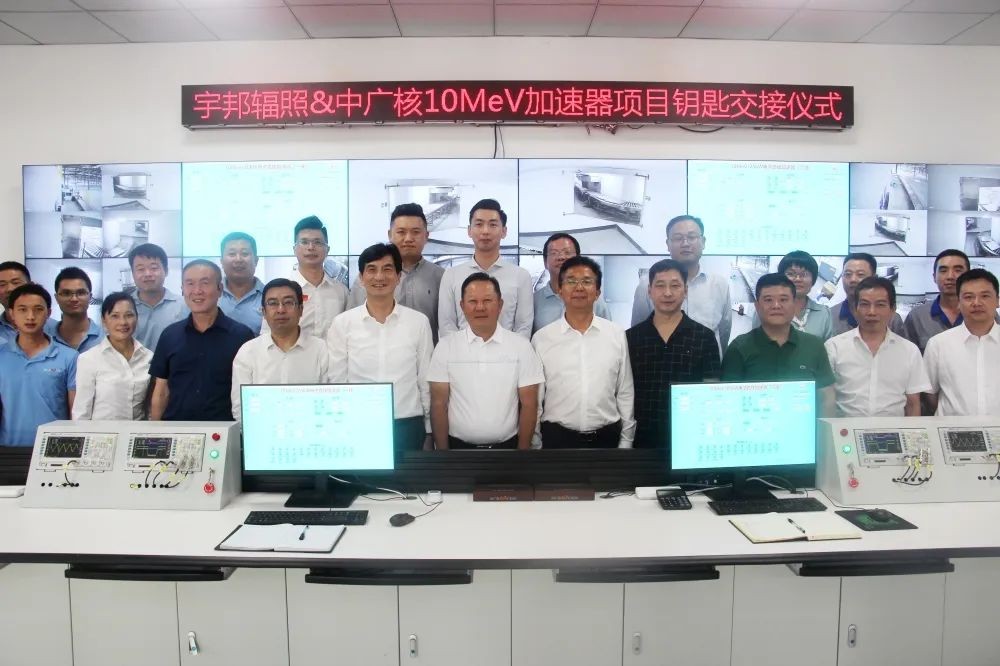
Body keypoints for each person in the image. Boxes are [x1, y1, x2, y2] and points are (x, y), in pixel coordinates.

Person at [329, 243, 433, 452]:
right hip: (359, 424)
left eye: (387, 269)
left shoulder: (418, 322)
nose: (379, 277)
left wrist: (429, 430)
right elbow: (337, 380)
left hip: (408, 424)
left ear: (398, 276)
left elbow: (425, 380)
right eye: (372, 269)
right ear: (361, 278)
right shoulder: (343, 323)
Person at [428, 273, 543, 449]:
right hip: (458, 449)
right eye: (473, 301)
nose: (480, 307)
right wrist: (444, 455)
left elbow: (529, 404)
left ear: (500, 305)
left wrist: (522, 454)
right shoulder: (446, 347)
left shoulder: (521, 346)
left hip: (507, 449)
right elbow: (438, 404)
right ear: (462, 306)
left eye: (487, 300)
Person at [532, 256, 634, 449]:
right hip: (557, 440)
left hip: (606, 438)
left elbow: (625, 391)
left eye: (587, 281)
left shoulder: (616, 334)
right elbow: (536, 400)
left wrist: (626, 441)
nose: (579, 287)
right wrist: (535, 442)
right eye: (571, 281)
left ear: (598, 292)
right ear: (560, 290)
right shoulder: (542, 339)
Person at [626, 258, 721, 450]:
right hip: (642, 438)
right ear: (649, 291)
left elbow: (711, 392)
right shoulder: (631, 338)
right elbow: (624, 392)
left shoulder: (704, 337)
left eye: (675, 286)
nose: (667, 293)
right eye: (660, 285)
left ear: (685, 290)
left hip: (689, 437)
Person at [149, 260, 254, 421]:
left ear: (220, 289)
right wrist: (155, 431)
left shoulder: (242, 336)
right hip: (176, 428)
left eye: (205, 283)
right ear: (182, 289)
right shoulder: (169, 335)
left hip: (224, 429)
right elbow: (161, 391)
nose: (197, 291)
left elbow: (249, 392)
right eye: (190, 284)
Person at [722, 273, 836, 417]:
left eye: (783, 299)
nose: (776, 305)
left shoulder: (814, 345)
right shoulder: (739, 347)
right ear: (757, 306)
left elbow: (826, 398)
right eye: (768, 300)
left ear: (794, 305)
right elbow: (729, 400)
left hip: (803, 427)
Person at [824, 277, 929, 417]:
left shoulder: (910, 351)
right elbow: (826, 401)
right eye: (865, 304)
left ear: (893, 309)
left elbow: (913, 404)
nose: (871, 312)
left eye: (880, 305)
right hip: (846, 429)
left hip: (893, 429)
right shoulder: (834, 347)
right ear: (855, 309)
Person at [231, 278, 332, 419]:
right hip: (262, 429)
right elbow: (240, 407)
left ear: (301, 310)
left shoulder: (321, 349)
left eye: (288, 302)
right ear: (263, 312)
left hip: (309, 428)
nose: (281, 310)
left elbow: (329, 401)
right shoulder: (248, 352)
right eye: (273, 303)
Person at [631, 214, 731, 353]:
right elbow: (638, 330)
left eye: (692, 237)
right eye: (678, 238)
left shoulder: (719, 284)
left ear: (703, 242)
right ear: (668, 244)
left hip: (707, 363)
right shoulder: (647, 284)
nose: (685, 243)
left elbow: (724, 331)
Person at [347, 203, 445, 341]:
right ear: (390, 235)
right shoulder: (369, 279)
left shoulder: (441, 277)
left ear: (426, 236)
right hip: (375, 350)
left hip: (426, 352)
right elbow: (351, 321)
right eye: (401, 232)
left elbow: (447, 324)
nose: (408, 238)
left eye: (415, 232)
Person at [438, 199, 533, 339]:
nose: (485, 231)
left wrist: (509, 350)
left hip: (507, 352)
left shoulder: (521, 276)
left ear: (504, 231)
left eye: (493, 225)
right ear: (469, 231)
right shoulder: (451, 275)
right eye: (479, 224)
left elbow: (523, 327)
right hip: (462, 352)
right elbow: (447, 326)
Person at [0, 284, 77, 446]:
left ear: (48, 313)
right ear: (11, 313)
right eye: (22, 309)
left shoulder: (69, 357)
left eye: (38, 309)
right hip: (7, 449)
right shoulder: (1, 355)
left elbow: (75, 413)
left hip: (53, 449)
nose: (30, 316)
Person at [924, 268, 1000, 416]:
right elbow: (930, 394)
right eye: (968, 297)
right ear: (958, 302)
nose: (977, 303)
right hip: (952, 429)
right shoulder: (938, 344)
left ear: (997, 300)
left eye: (985, 296)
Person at [262, 216, 348, 340]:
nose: (311, 247)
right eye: (304, 242)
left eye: (318, 242)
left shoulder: (341, 291)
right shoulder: (279, 291)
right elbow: (266, 336)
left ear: (327, 249)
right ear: (294, 249)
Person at [72, 292, 152, 420]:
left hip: (138, 431)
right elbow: (81, 412)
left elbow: (150, 408)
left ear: (137, 318)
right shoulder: (89, 359)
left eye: (129, 315)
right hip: (101, 432)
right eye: (115, 316)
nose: (123, 322)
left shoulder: (148, 357)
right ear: (104, 320)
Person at [532, 233, 611, 333]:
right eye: (554, 253)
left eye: (567, 252)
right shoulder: (533, 301)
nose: (561, 257)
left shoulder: (595, 301)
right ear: (545, 262)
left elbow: (608, 335)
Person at [751, 250, 833, 340]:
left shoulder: (824, 314)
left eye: (804, 274)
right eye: (791, 274)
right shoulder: (765, 309)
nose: (798, 279)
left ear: (813, 280)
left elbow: (829, 346)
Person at [904, 249, 973, 354]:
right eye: (943, 271)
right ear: (934, 277)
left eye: (958, 270)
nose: (950, 276)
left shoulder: (984, 313)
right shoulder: (917, 317)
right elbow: (907, 357)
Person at [129, 243, 188, 351]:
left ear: (166, 271)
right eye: (140, 269)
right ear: (132, 274)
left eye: (154, 268)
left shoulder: (184, 306)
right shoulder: (123, 307)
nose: (147, 274)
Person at [829, 253, 904, 337]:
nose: (853, 279)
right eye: (848, 274)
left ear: (874, 277)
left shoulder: (892, 319)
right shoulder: (829, 316)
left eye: (860, 274)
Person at [44, 266, 104, 353]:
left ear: (90, 297)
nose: (74, 299)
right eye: (66, 293)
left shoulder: (105, 339)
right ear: (56, 298)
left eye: (81, 293)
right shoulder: (45, 337)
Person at [219, 231, 264, 334]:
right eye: (232, 254)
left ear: (256, 260)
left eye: (245, 254)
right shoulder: (210, 296)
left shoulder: (268, 296)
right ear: (222, 261)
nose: (238, 259)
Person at [0, 261, 31, 346]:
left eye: (16, 283)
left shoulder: (54, 329)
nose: (10, 289)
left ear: (30, 286)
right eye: (2, 284)